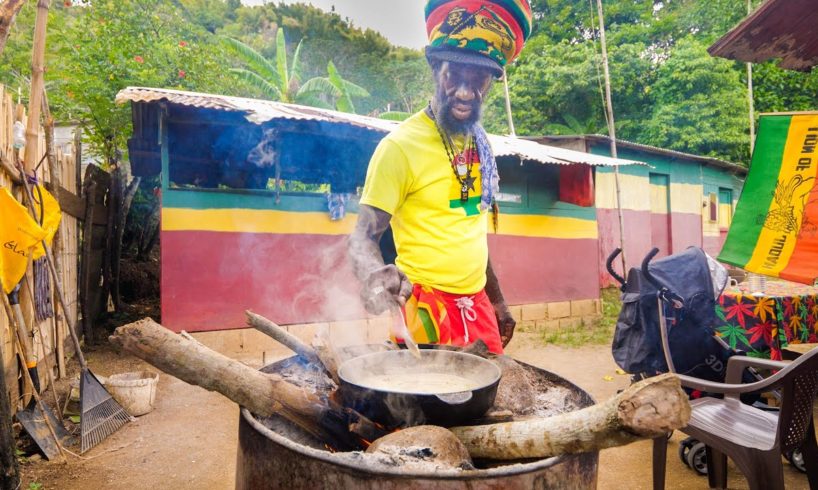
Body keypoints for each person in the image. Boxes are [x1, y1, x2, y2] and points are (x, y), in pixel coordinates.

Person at [348, 0, 532, 354]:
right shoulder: (399, 147)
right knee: (425, 408)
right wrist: (374, 272)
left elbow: (469, 226)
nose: (465, 91)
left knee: (491, 403)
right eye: (454, 76)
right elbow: (361, 237)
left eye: (478, 79)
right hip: (424, 314)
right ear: (435, 68)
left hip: (477, 310)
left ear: (492, 79)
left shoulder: (480, 143)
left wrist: (496, 300)